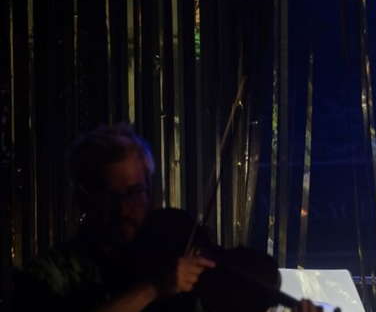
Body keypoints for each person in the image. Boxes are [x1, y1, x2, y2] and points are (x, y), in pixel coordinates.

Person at [13, 124, 321, 312]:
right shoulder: (52, 273)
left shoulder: (177, 249)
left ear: (150, 190)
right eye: (111, 196)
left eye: (135, 193)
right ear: (84, 198)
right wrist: (153, 289)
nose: (124, 210)